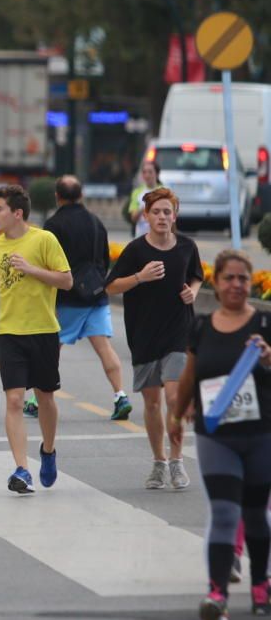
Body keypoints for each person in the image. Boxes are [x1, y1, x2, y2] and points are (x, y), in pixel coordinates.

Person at [167, 250, 271, 619]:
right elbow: (191, 374)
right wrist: (176, 416)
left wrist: (268, 356)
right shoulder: (202, 326)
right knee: (225, 513)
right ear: (216, 281)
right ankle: (217, 595)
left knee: (256, 516)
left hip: (260, 436)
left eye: (243, 279)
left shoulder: (264, 322)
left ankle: (261, 590)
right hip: (216, 436)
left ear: (250, 282)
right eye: (229, 278)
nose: (236, 285)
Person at [105, 187, 203, 490]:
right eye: (156, 212)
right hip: (144, 335)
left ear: (175, 215)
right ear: (145, 216)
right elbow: (110, 287)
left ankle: (176, 461)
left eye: (167, 211)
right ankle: (159, 462)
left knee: (174, 397)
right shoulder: (135, 251)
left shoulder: (187, 246)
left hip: (178, 333)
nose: (162, 217)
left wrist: (192, 293)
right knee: (151, 403)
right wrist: (140, 277)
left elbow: (196, 275)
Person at [0, 185, 72, 494]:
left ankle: (48, 449)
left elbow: (66, 280)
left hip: (43, 329)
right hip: (10, 331)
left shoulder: (44, 240)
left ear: (17, 213)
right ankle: (21, 469)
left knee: (45, 397)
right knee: (15, 400)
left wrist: (31, 269)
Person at [43, 176, 131, 420]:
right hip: (96, 294)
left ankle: (35, 399)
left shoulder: (53, 225)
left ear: (57, 197)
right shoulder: (96, 222)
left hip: (67, 298)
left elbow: (47, 262)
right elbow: (104, 258)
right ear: (81, 195)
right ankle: (120, 395)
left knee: (52, 349)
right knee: (104, 347)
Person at [128, 160, 162, 238]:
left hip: (159, 237)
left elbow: (172, 217)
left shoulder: (165, 191)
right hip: (141, 237)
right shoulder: (137, 192)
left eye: (150, 172)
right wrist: (144, 207)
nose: (147, 175)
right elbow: (133, 218)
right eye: (144, 172)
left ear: (157, 174)